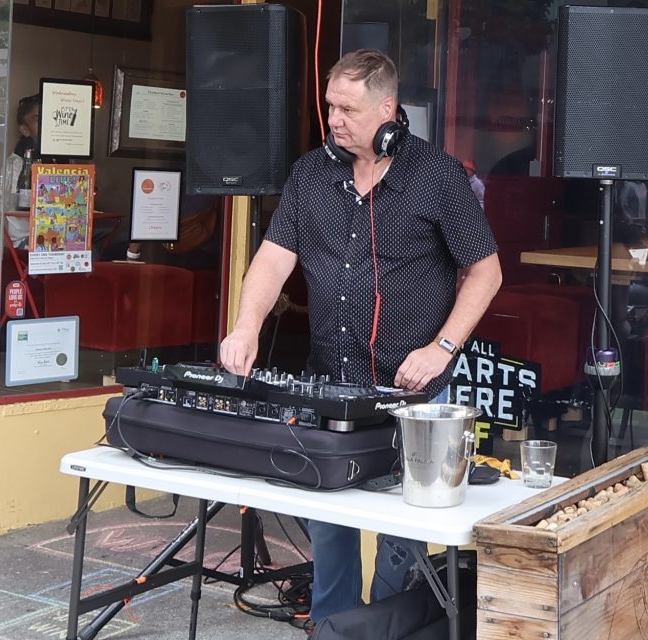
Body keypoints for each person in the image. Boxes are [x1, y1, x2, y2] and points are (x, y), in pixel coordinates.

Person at [219, 49, 502, 632]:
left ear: (388, 109)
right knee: (330, 525)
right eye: (330, 106)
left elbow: (486, 271)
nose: (334, 119)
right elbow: (272, 262)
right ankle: (334, 628)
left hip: (412, 391)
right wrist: (246, 324)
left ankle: (384, 627)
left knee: (403, 539)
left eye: (348, 108)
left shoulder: (437, 175)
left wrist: (442, 348)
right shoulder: (310, 174)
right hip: (331, 383)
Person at [4, 94, 40, 248]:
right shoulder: (15, 164)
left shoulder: (55, 160)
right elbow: (17, 210)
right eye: (38, 119)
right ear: (24, 129)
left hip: (53, 234)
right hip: (25, 240)